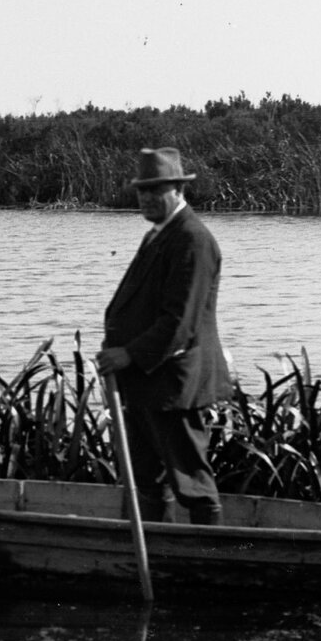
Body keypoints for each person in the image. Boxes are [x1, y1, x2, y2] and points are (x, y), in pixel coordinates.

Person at [94, 148, 233, 526]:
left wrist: (129, 355)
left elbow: (181, 322)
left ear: (178, 190)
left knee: (191, 479)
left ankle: (208, 559)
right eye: (143, 191)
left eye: (157, 190)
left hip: (174, 383)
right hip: (146, 382)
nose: (148, 198)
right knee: (148, 479)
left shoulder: (192, 239)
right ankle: (163, 554)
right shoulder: (158, 235)